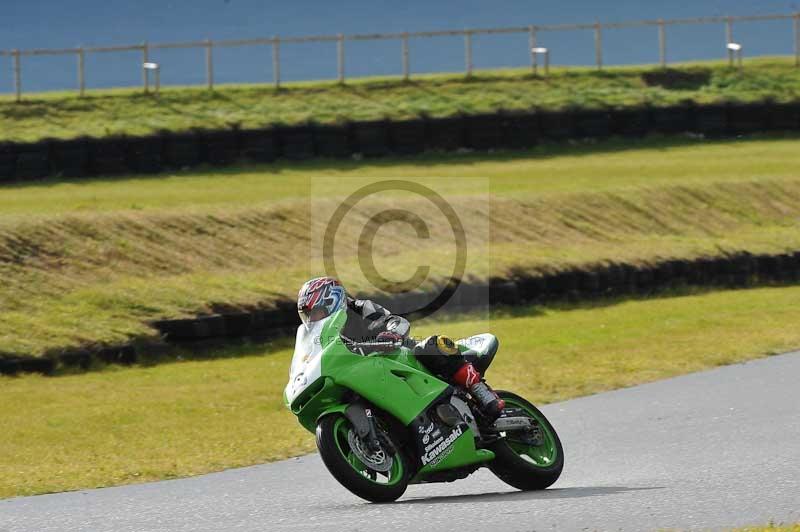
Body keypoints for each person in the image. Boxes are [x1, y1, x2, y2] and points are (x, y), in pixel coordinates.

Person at [296, 276, 505, 422]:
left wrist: (392, 334)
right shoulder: (320, 337)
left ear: (332, 300)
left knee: (433, 345)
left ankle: (480, 391)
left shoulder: (359, 309)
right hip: (365, 372)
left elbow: (396, 321)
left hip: (401, 355)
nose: (313, 319)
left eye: (315, 312)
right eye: (308, 316)